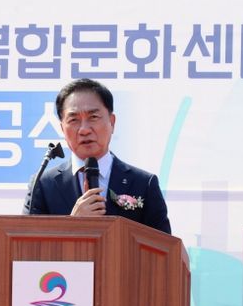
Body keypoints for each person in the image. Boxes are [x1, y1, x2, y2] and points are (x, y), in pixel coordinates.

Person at [23, 78, 172, 234]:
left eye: (93, 117)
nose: (84, 130)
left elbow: (163, 244)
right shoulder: (43, 185)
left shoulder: (144, 183)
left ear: (112, 122)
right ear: (62, 129)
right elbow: (28, 244)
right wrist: (72, 225)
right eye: (74, 120)